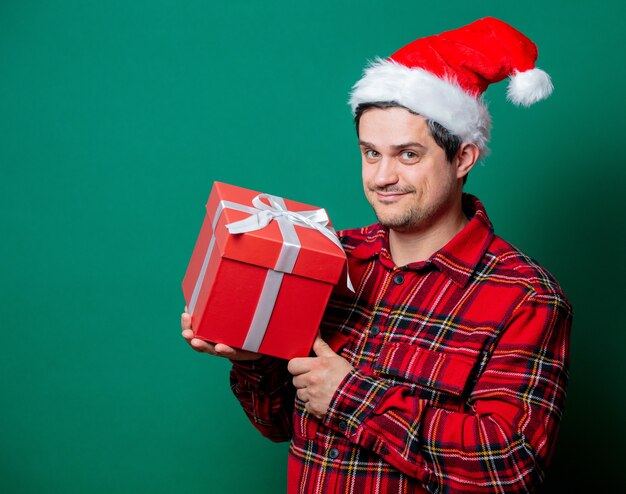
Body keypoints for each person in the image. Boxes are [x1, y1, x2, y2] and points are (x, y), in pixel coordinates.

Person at [181, 17, 572, 493]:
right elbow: (280, 424)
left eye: (408, 155)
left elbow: (511, 469)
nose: (382, 176)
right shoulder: (329, 255)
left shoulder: (525, 297)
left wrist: (349, 396)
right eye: (370, 153)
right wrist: (251, 355)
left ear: (463, 158)